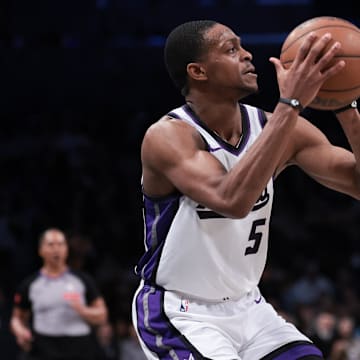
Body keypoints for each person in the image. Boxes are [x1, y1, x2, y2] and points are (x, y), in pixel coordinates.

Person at [131, 19, 360, 360]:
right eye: (231, 48)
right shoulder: (169, 136)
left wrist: (345, 106)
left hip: (249, 306)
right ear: (198, 71)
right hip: (181, 312)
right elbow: (232, 200)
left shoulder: (276, 126)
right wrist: (291, 104)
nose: (248, 54)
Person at [10, 228, 108, 360]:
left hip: (80, 348)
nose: (56, 249)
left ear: (66, 249)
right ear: (41, 250)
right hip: (42, 349)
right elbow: (17, 318)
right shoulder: (30, 284)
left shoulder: (83, 280)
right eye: (51, 245)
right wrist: (20, 332)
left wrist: (82, 310)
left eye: (61, 244)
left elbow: (102, 315)